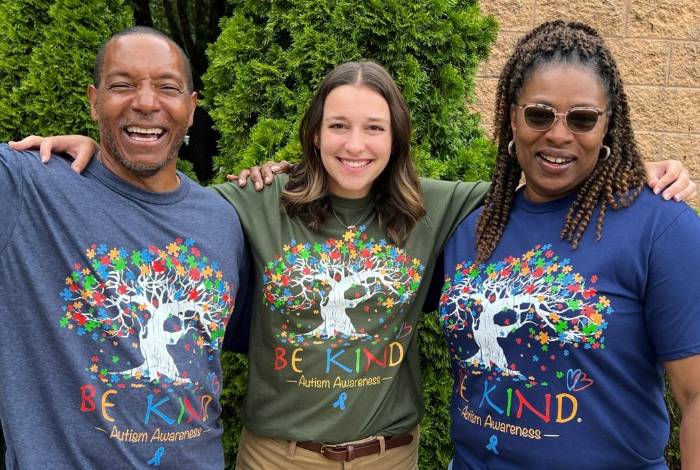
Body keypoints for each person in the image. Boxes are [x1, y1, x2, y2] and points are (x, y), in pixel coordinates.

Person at [13, 60, 695, 469]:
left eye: (374, 127)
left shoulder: (445, 208)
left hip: (389, 455)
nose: (355, 143)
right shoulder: (252, 203)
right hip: (275, 456)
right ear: (315, 132)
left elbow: (550, 177)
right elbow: (159, 198)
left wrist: (644, 175)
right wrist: (97, 158)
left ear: (396, 137)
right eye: (339, 125)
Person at [435, 21, 700, 469]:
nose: (559, 135)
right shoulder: (474, 229)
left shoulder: (661, 227)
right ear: (511, 118)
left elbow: (695, 395)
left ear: (607, 125)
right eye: (539, 114)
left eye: (582, 118)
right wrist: (278, 180)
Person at [0, 27, 250, 469]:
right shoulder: (28, 187)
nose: (147, 102)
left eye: (167, 88)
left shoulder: (222, 218)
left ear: (192, 109)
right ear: (94, 101)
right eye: (123, 85)